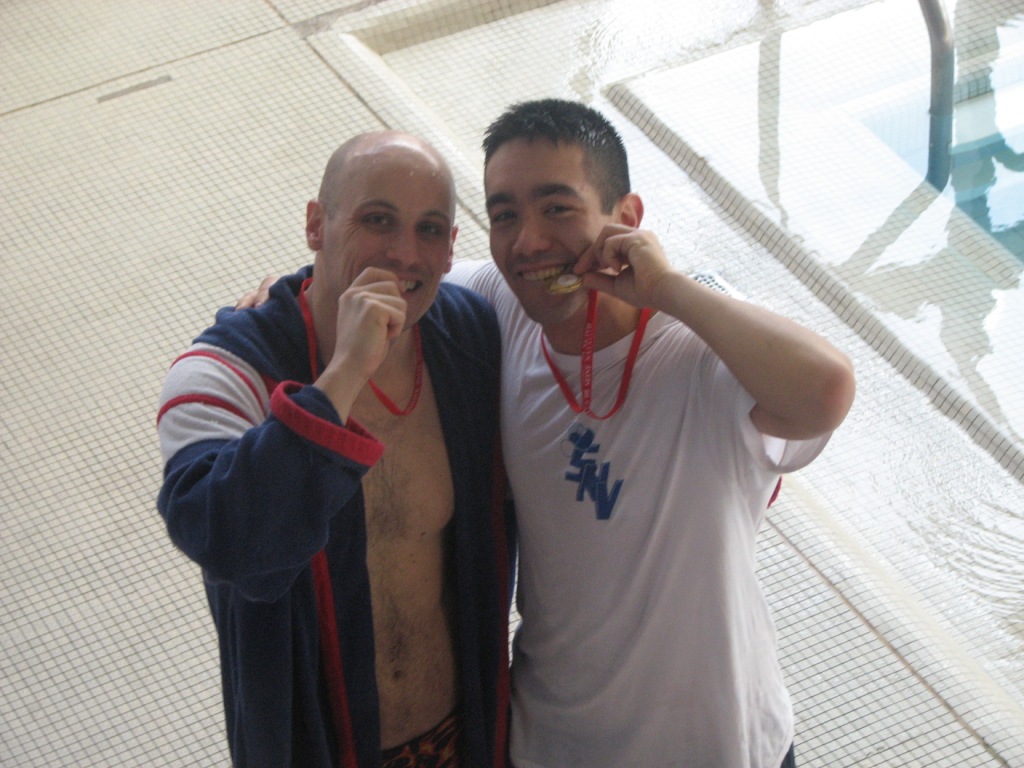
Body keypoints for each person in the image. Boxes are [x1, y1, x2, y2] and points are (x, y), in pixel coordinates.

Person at [242, 100, 856, 768]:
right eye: (505, 214)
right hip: (548, 742)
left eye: (558, 208)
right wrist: (298, 291)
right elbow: (403, 275)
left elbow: (825, 391)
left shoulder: (702, 348)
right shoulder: (503, 308)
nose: (528, 242)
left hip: (718, 745)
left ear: (627, 218)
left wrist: (671, 290)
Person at [157, 131, 513, 768]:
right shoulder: (223, 375)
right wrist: (344, 373)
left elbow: (562, 268)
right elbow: (230, 544)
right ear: (315, 225)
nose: (405, 253)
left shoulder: (471, 332)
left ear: (452, 247)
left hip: (467, 736)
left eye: (430, 229)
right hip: (313, 748)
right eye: (377, 220)